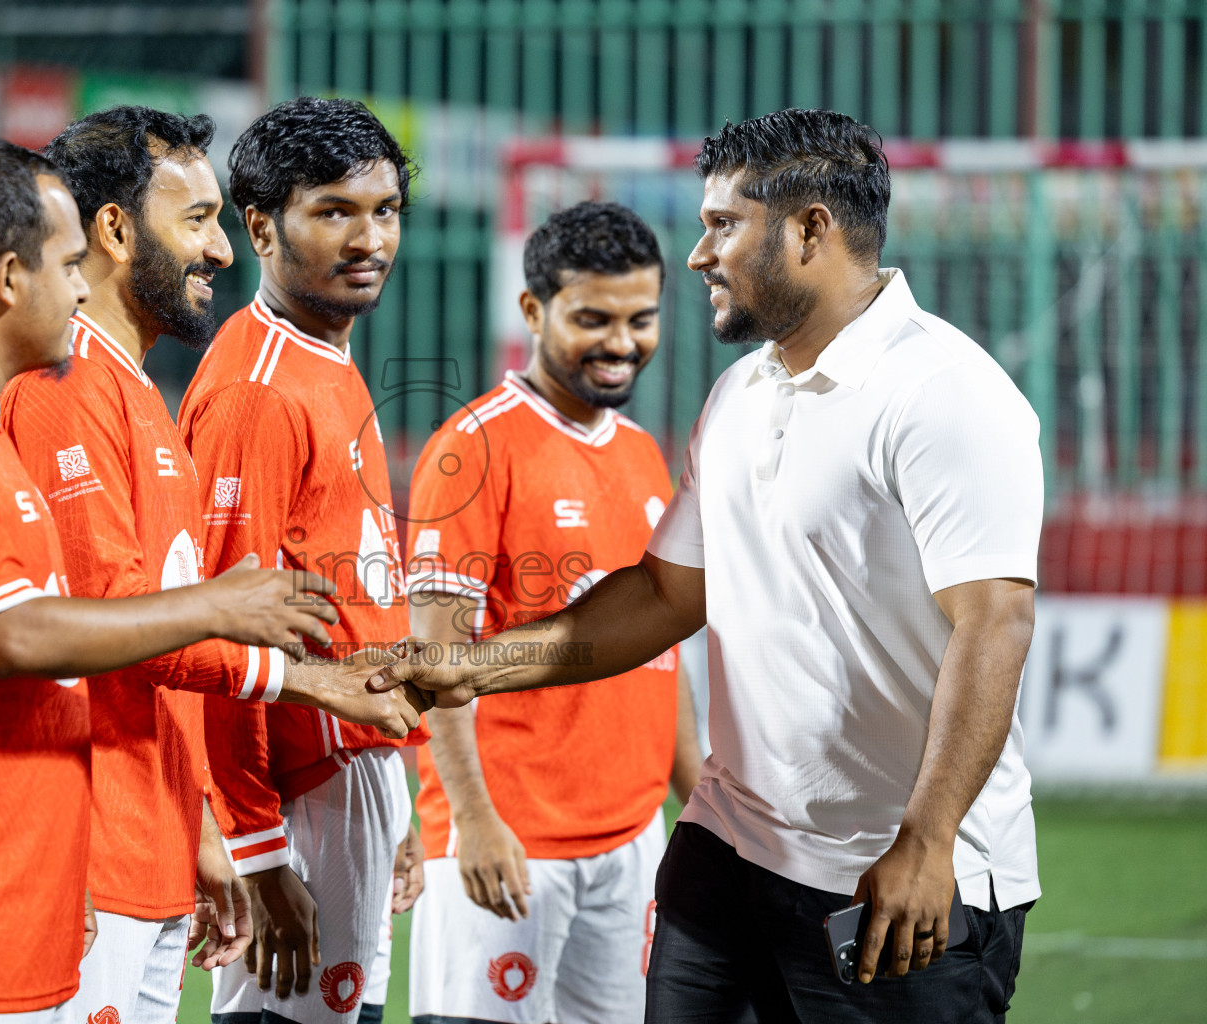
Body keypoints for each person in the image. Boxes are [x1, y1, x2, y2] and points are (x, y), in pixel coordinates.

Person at [374, 107, 1042, 1023]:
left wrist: (928, 844)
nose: (699, 254)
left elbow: (995, 620)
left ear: (811, 230)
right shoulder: (740, 392)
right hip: (726, 857)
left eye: (723, 225)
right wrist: (469, 667)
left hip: (894, 880)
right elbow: (661, 597)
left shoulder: (947, 395)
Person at [0, 138, 424, 1023]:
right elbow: (66, 627)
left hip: (149, 837)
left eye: (386, 211)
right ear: (116, 230)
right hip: (58, 849)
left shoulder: (133, 394)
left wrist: (200, 818)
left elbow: (135, 625)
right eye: (198, 220)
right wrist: (261, 795)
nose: (219, 251)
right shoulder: (51, 391)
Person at [404, 201, 702, 1024]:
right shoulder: (474, 448)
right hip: (511, 838)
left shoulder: (644, 453)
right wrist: (471, 822)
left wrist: (700, 810)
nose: (621, 342)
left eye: (641, 319)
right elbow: (434, 661)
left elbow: (661, 648)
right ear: (533, 311)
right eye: (593, 319)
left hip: (632, 842)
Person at [177, 97, 429, 1024]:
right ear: (260, 227)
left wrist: (395, 778)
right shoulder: (258, 392)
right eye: (334, 211)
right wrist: (255, 849)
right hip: (302, 784)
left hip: (354, 767)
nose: (369, 238)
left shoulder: (325, 357)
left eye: (385, 210)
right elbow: (216, 631)